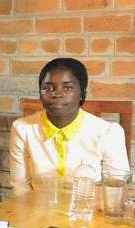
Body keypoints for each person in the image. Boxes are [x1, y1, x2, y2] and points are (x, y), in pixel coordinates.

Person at [9, 57, 129, 194]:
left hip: (87, 210)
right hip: (38, 210)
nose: (57, 94)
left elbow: (115, 190)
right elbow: (20, 187)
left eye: (67, 88)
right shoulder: (22, 129)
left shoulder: (108, 132)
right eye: (48, 88)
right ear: (40, 94)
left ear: (82, 94)